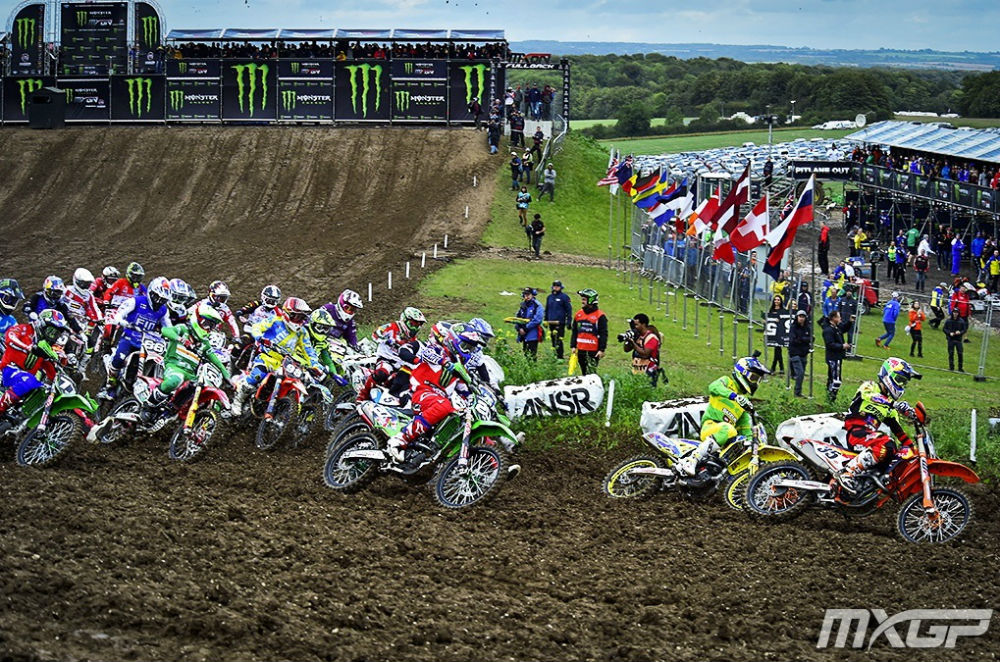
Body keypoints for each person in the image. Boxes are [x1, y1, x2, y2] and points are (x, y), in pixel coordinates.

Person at [384, 329, 483, 463]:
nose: (467, 351)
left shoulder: (459, 370)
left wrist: (476, 396)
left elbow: (465, 391)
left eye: (470, 348)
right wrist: (444, 362)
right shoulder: (437, 350)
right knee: (445, 405)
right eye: (465, 346)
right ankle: (400, 439)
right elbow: (426, 354)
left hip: (435, 401)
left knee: (459, 416)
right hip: (421, 392)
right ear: (455, 341)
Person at [138, 303, 233, 425]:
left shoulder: (204, 343)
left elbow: (216, 361)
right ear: (197, 319)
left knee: (196, 386)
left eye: (212, 326)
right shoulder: (183, 329)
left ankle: (172, 409)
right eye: (206, 324)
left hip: (190, 374)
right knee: (176, 379)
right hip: (174, 366)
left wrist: (228, 377)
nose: (208, 328)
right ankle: (148, 405)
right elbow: (165, 331)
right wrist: (180, 339)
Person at [835, 358, 922, 493]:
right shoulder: (870, 386)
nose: (901, 385)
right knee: (885, 444)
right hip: (856, 433)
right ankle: (847, 473)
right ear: (887, 375)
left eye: (904, 382)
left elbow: (898, 431)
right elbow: (871, 396)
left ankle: (868, 484)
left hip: (868, 437)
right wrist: (894, 404)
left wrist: (914, 449)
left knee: (893, 449)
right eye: (899, 380)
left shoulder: (890, 409)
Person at [676, 356, 770, 477]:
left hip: (725, 438)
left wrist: (753, 444)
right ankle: (691, 460)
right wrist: (734, 396)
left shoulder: (743, 403)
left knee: (740, 440)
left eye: (758, 380)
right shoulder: (727, 382)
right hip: (711, 426)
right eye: (754, 378)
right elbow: (714, 387)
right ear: (742, 372)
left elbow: (746, 429)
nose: (755, 383)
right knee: (729, 429)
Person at [231, 297, 321, 416]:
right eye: (298, 317)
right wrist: (259, 337)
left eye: (302, 317)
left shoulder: (302, 332)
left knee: (295, 381)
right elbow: (258, 327)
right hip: (267, 357)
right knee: (257, 376)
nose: (300, 320)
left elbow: (309, 351)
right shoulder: (275, 320)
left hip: (285, 363)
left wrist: (316, 365)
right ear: (289, 314)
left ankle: (282, 409)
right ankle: (238, 401)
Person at [98, 277, 172, 400]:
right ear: (151, 292)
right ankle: (109, 387)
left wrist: (174, 337)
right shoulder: (136, 301)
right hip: (130, 338)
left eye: (162, 300)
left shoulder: (163, 310)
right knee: (118, 359)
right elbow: (118, 314)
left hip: (148, 343)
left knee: (159, 361)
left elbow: (168, 327)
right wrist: (123, 322)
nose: (158, 301)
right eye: (157, 297)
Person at [0, 310, 72, 428]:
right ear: (42, 324)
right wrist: (28, 347)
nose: (53, 336)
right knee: (30, 380)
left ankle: (23, 423)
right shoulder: (26, 329)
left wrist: (61, 370)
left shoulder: (45, 348)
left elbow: (52, 373)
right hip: (8, 369)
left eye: (56, 334)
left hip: (22, 378)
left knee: (43, 390)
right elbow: (10, 336)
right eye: (51, 331)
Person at [356, 306, 427, 401]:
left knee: (404, 382)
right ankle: (362, 396)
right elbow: (375, 334)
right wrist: (388, 341)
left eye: (418, 325)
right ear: (404, 320)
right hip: (386, 359)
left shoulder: (413, 339)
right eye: (412, 324)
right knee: (381, 373)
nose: (415, 327)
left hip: (400, 364)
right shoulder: (391, 327)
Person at [570, 288, 608, 375]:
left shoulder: (600, 316)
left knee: (591, 373)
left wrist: (602, 350)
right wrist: (573, 346)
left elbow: (603, 334)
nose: (582, 302)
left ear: (591, 300)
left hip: (593, 351)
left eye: (584, 300)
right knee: (584, 373)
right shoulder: (578, 314)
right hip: (581, 349)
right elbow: (575, 331)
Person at [821, 309, 853, 403]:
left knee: (832, 378)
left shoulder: (836, 328)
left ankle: (829, 398)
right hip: (833, 358)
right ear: (833, 318)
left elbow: (844, 328)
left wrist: (850, 322)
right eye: (839, 317)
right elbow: (830, 344)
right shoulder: (828, 330)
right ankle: (831, 399)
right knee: (836, 380)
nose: (840, 319)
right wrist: (842, 346)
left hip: (838, 357)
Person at [622, 313, 663, 386]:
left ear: (643, 325)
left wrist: (633, 343)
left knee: (648, 390)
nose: (635, 327)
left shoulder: (651, 338)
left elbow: (645, 354)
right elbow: (626, 350)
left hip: (649, 370)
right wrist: (627, 340)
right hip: (637, 369)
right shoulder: (638, 335)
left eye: (636, 325)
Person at [544, 280, 572, 360]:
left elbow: (569, 310)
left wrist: (568, 321)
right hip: (551, 322)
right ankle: (554, 355)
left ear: (560, 287)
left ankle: (560, 356)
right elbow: (547, 309)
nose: (556, 288)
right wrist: (545, 320)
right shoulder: (549, 297)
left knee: (559, 339)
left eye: (557, 286)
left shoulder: (564, 297)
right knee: (553, 339)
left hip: (560, 322)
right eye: (554, 286)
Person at [514, 287, 544, 358]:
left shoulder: (537, 305)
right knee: (525, 353)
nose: (526, 296)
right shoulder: (523, 305)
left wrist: (525, 328)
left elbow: (537, 319)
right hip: (523, 334)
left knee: (532, 355)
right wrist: (519, 328)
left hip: (533, 334)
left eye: (528, 294)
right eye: (525, 295)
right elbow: (517, 317)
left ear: (532, 295)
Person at [788, 310, 811, 398]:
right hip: (795, 353)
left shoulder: (807, 328)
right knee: (800, 373)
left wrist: (802, 339)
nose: (801, 318)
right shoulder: (793, 327)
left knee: (802, 374)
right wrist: (804, 339)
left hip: (804, 353)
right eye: (800, 316)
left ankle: (798, 391)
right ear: (797, 317)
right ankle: (797, 392)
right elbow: (793, 340)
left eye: (803, 317)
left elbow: (811, 338)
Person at [766, 295, 785, 374]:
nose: (776, 301)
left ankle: (774, 367)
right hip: (773, 332)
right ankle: (780, 367)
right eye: (775, 300)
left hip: (780, 332)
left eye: (778, 300)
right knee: (777, 350)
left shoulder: (783, 310)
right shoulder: (771, 310)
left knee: (777, 349)